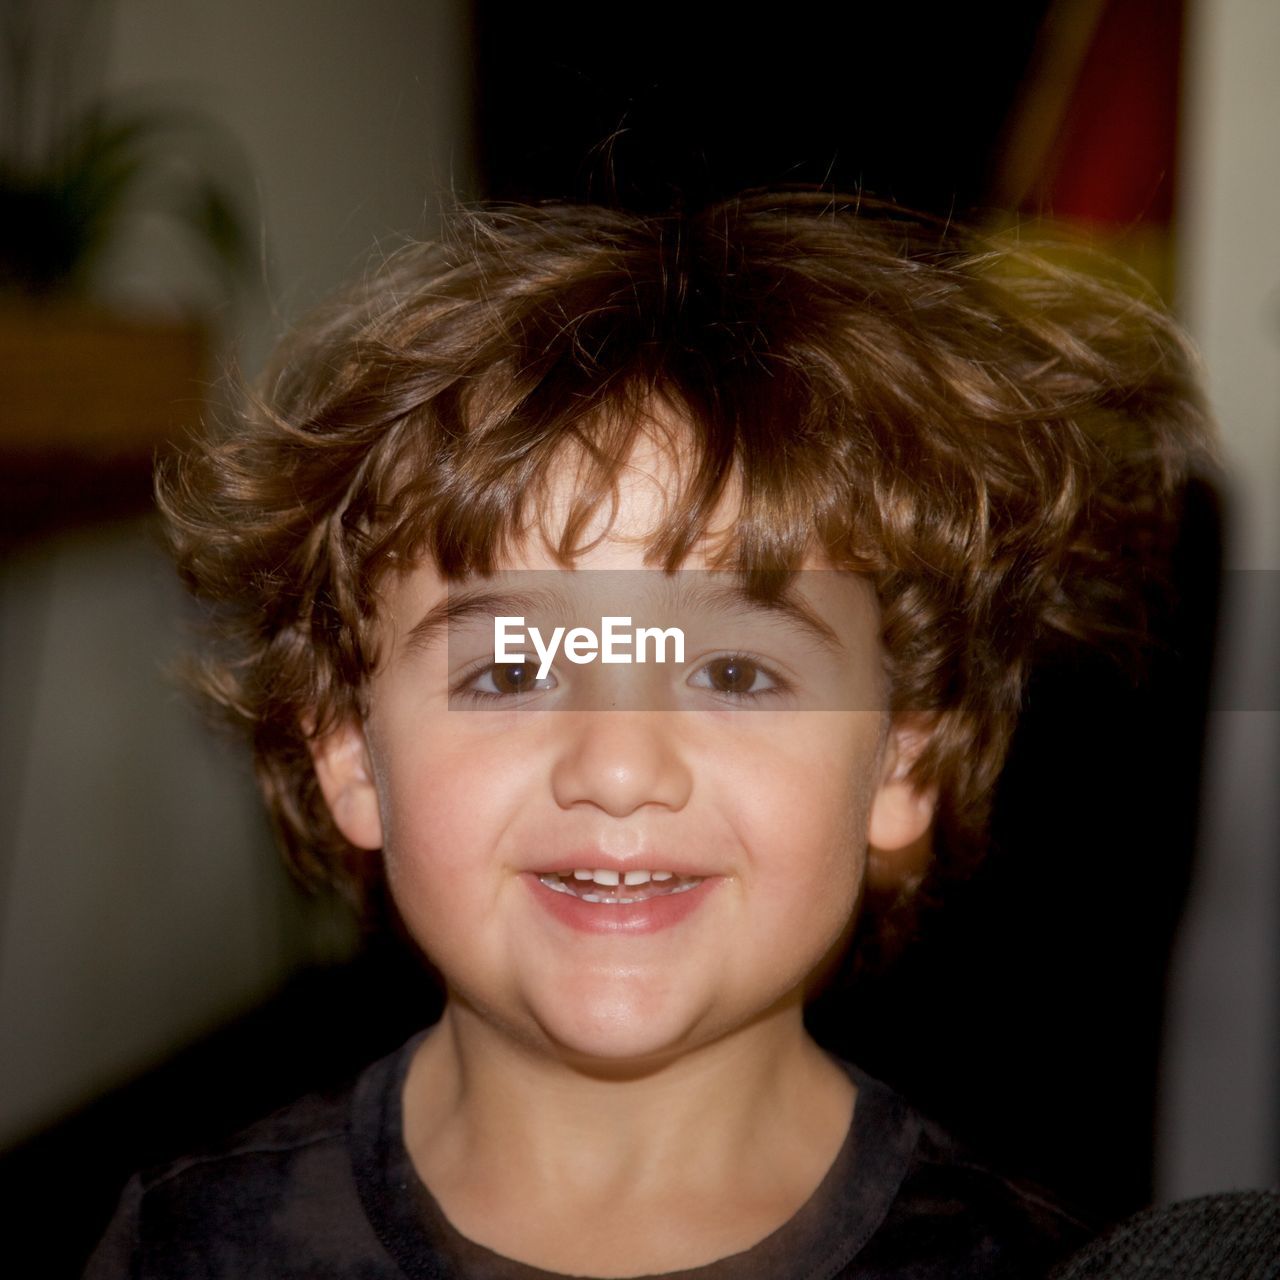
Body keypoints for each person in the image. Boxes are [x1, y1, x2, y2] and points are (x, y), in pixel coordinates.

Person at [86, 192, 1215, 1278]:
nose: (617, 768)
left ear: (899, 759)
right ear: (347, 752)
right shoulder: (193, 1242)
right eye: (512, 670)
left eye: (732, 670)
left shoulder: (1028, 1262)